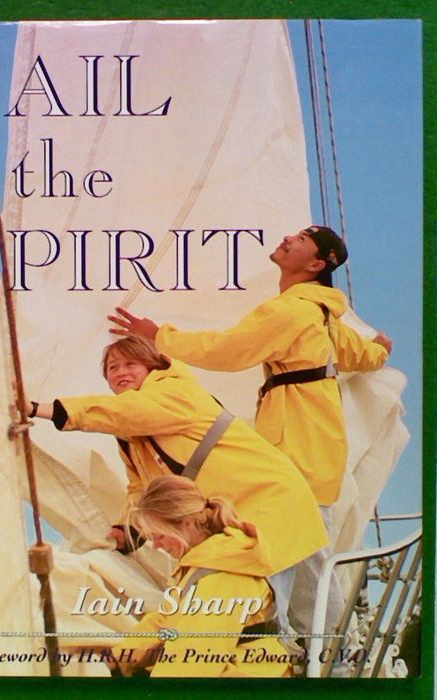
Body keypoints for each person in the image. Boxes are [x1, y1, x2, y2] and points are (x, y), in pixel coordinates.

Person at [107, 225, 392, 632]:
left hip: (298, 445)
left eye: (302, 239)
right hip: (315, 442)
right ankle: (325, 645)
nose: (289, 238)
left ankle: (319, 646)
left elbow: (228, 349)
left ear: (315, 264)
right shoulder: (318, 313)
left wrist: (158, 336)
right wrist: (379, 350)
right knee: (304, 547)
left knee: (289, 547)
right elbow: (354, 352)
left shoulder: (291, 311)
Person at [25, 335, 327, 627]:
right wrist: (128, 530)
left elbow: (124, 411)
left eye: (131, 364)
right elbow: (142, 488)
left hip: (271, 500)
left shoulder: (174, 391)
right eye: (112, 368)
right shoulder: (132, 431)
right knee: (292, 603)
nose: (120, 372)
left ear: (151, 367)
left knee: (280, 604)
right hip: (244, 512)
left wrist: (42, 410)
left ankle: (322, 657)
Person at [107, 475, 296, 678]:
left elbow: (194, 659)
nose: (156, 546)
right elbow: (165, 620)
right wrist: (119, 658)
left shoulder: (220, 576)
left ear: (187, 523)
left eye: (160, 536)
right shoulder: (208, 558)